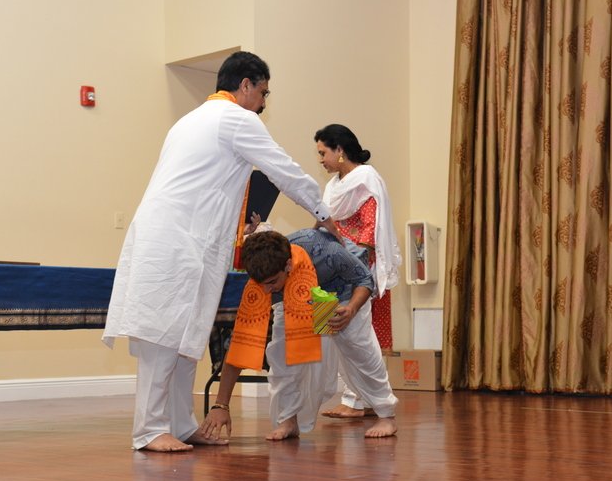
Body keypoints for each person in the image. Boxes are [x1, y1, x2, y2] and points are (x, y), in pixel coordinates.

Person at [102, 51, 341, 452]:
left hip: (180, 237)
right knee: (164, 334)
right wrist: (324, 212)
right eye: (262, 92)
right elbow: (283, 169)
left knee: (186, 337)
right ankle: (149, 429)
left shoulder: (190, 120)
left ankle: (180, 425)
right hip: (176, 238)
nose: (263, 103)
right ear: (245, 85)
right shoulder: (235, 119)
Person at [199, 229, 398, 441]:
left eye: (272, 282)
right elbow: (240, 346)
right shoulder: (263, 283)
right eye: (261, 284)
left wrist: (351, 309)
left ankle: (386, 415)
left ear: (287, 265)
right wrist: (221, 405)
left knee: (359, 351)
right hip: (292, 298)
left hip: (344, 292)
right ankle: (288, 420)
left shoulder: (327, 251)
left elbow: (365, 279)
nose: (266, 291)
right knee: (281, 356)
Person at [314, 124, 402, 419]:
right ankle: (355, 400)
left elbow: (369, 229)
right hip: (337, 267)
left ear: (339, 150)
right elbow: (327, 223)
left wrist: (344, 254)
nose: (321, 160)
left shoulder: (366, 178)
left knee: (359, 338)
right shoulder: (333, 186)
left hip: (360, 267)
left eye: (323, 153)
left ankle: (371, 400)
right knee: (342, 337)